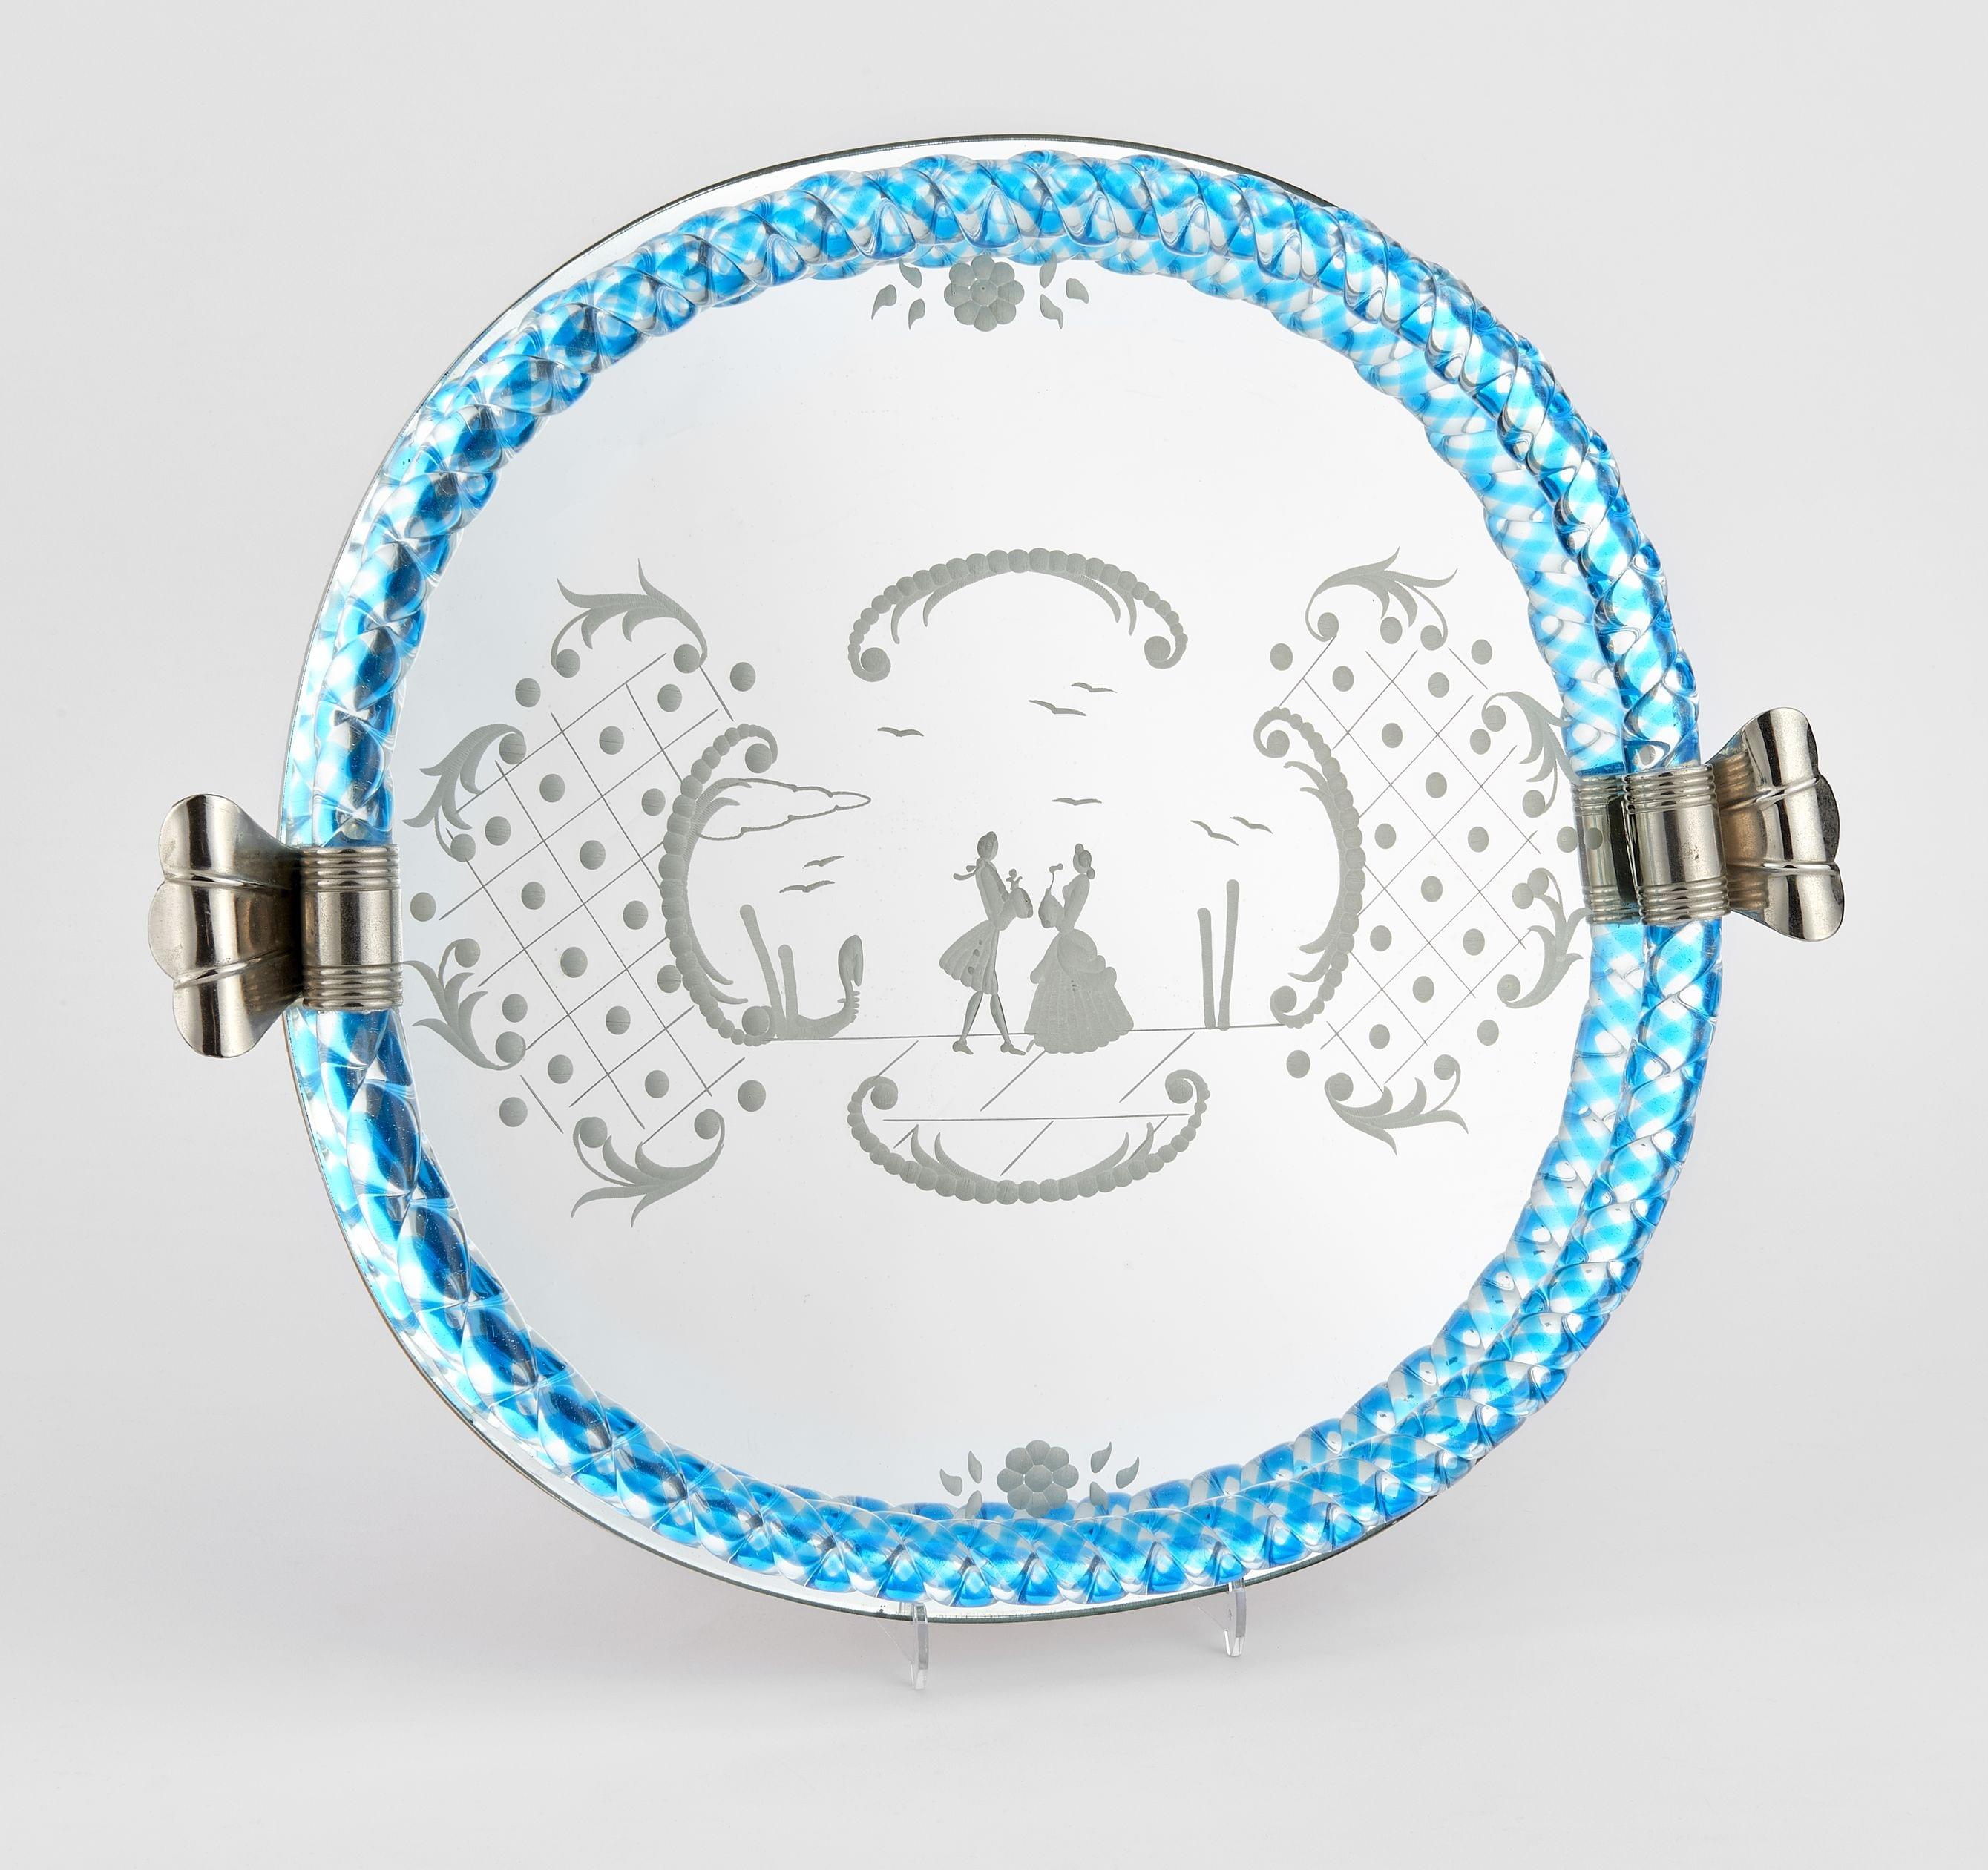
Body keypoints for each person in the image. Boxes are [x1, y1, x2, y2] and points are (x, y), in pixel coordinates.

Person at [1024, 844, 1134, 1054]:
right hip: (1074, 959)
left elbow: (1052, 956)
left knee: (1076, 1000)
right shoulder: (1063, 937)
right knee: (1064, 1001)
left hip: (1077, 959)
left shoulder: (1065, 933)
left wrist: (1039, 972)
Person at [939, 831, 1033, 1054]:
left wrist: (1011, 892)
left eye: (991, 845)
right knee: (985, 989)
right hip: (990, 933)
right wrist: (1012, 898)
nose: (988, 848)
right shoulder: (983, 869)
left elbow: (999, 896)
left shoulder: (987, 868)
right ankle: (975, 1041)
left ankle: (995, 1042)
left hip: (993, 932)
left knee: (990, 990)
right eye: (985, 844)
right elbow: (995, 905)